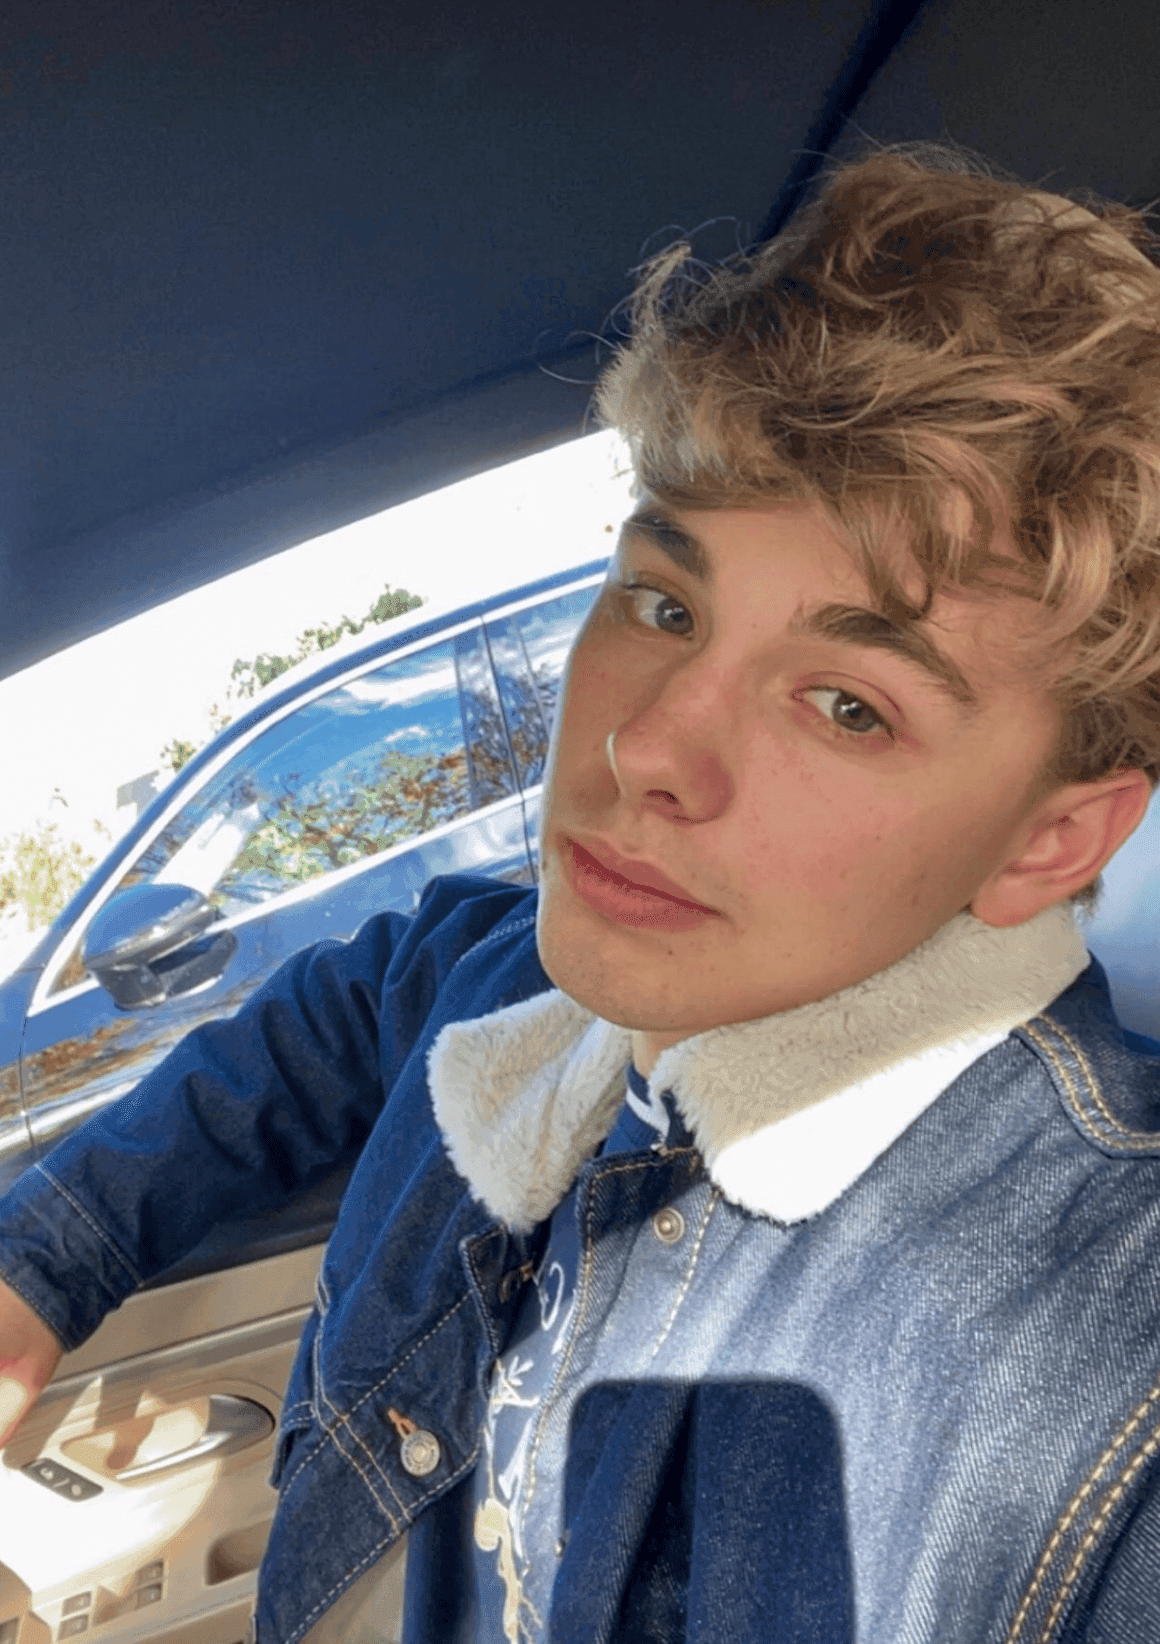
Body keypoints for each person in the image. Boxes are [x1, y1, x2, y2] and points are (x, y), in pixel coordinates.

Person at [3, 137, 1160, 1643]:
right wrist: (39, 1267)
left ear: (1049, 842)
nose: (644, 746)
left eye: (848, 705)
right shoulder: (511, 984)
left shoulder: (1101, 1349)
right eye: (664, 605)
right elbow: (334, 1011)